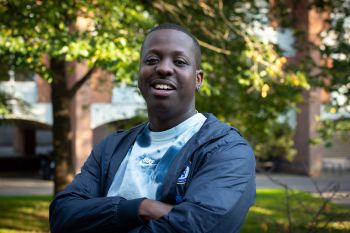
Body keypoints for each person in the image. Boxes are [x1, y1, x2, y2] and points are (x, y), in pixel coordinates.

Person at [49, 23, 256, 233]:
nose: (164, 68)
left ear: (198, 79)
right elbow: (62, 214)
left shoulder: (226, 149)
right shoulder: (111, 148)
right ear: (140, 74)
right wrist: (140, 207)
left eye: (180, 61)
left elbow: (199, 226)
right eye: (152, 60)